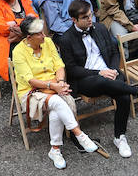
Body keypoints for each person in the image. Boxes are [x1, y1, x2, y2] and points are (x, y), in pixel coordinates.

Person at [55, 0, 138, 158]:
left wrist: (112, 69)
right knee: (103, 81)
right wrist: (99, 72)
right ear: (74, 20)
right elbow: (72, 70)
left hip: (109, 72)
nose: (90, 19)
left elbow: (114, 52)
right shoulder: (66, 39)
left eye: (91, 15)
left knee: (123, 96)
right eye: (85, 17)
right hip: (87, 79)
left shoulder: (99, 28)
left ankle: (120, 137)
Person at [11, 17, 105, 168]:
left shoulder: (47, 43)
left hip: (54, 85)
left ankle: (55, 149)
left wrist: (60, 82)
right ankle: (79, 134)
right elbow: (30, 80)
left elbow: (59, 65)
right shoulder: (18, 52)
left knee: (56, 108)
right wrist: (53, 86)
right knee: (57, 102)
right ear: (29, 37)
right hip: (31, 92)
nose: (44, 35)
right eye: (39, 34)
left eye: (43, 32)